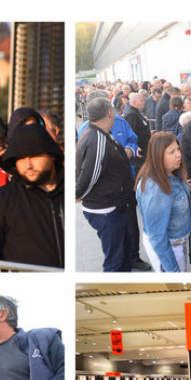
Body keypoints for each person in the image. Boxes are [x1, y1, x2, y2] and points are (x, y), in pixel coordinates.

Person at [0, 123, 64, 268]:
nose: (28, 164)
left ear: (51, 155)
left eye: (34, 155)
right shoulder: (1, 200)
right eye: (21, 158)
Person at [76, 98, 135, 272]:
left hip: (111, 207)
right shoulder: (96, 138)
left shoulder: (97, 133)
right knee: (115, 261)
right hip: (106, 211)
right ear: (109, 113)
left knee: (122, 257)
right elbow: (90, 175)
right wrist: (78, 194)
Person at [134, 132, 191, 272]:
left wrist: (187, 188)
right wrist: (172, 271)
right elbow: (157, 237)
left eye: (178, 149)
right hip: (170, 248)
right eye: (172, 152)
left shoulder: (172, 172)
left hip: (179, 242)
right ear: (158, 156)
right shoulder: (155, 189)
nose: (178, 154)